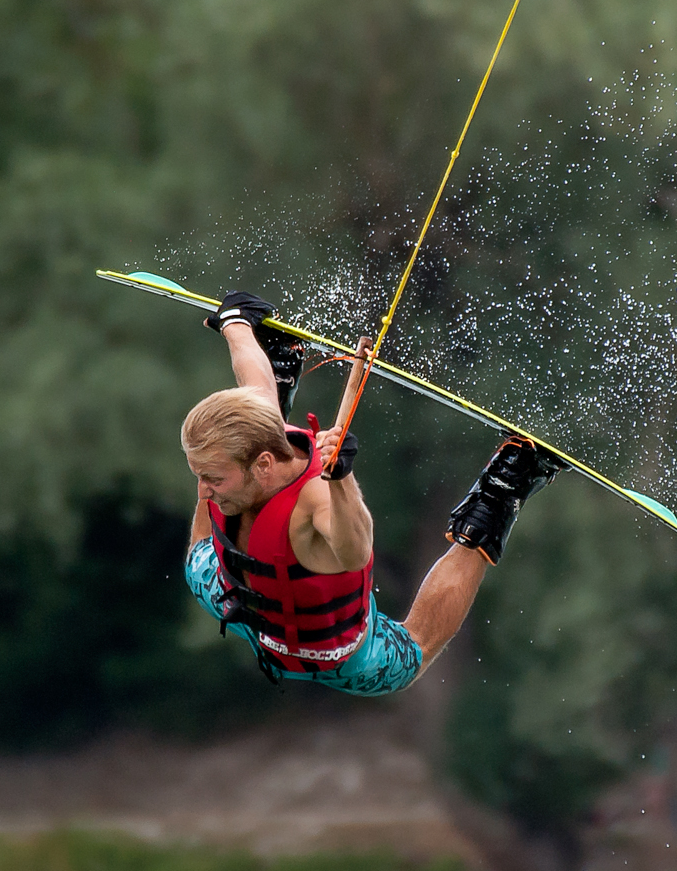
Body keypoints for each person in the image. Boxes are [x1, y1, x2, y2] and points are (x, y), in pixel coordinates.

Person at [181, 291, 568, 695]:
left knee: (414, 651)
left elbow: (355, 550)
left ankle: (506, 484)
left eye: (212, 478)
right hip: (246, 608)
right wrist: (236, 322)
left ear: (263, 464)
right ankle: (280, 367)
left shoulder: (313, 499)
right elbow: (248, 369)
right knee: (198, 565)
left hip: (336, 656)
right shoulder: (253, 437)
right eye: (201, 476)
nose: (204, 491)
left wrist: (341, 478)